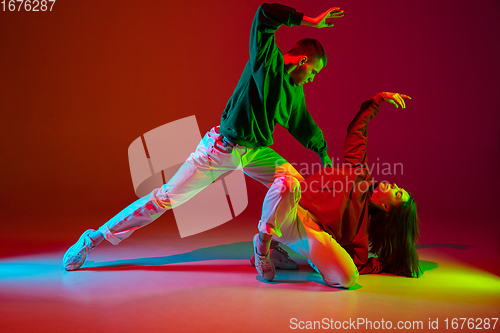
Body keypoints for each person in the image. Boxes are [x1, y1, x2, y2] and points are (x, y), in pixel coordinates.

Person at [63, 3, 345, 271]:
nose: (312, 78)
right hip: (221, 148)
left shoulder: (294, 91)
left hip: (255, 152)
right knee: (165, 198)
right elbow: (264, 14)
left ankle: (269, 246)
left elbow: (302, 123)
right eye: (314, 72)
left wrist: (323, 154)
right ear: (303, 60)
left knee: (292, 182)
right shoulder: (266, 59)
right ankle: (92, 240)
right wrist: (312, 21)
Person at [251, 92, 420, 287]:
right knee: (287, 184)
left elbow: (359, 263)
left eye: (397, 193)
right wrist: (376, 100)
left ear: (387, 208)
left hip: (308, 234)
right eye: (399, 188)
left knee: (348, 278)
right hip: (293, 209)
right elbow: (357, 133)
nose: (395, 186)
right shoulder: (360, 174)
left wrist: (389, 264)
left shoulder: (361, 233)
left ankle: (295, 254)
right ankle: (262, 248)